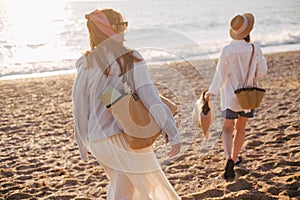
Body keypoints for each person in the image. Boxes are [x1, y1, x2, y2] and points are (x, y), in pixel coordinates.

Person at [72, 8, 181, 199]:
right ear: (109, 29)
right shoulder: (130, 58)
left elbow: (79, 106)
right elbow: (150, 98)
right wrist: (172, 132)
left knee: (121, 188)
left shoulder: (86, 62)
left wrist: (83, 143)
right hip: (121, 137)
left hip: (97, 141)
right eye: (121, 25)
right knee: (138, 190)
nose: (125, 30)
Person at [205, 13, 268, 180]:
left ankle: (228, 158)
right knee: (241, 127)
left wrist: (211, 91)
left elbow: (220, 75)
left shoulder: (227, 50)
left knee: (227, 128)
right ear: (248, 31)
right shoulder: (255, 49)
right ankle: (235, 156)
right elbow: (262, 73)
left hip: (230, 97)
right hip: (247, 97)